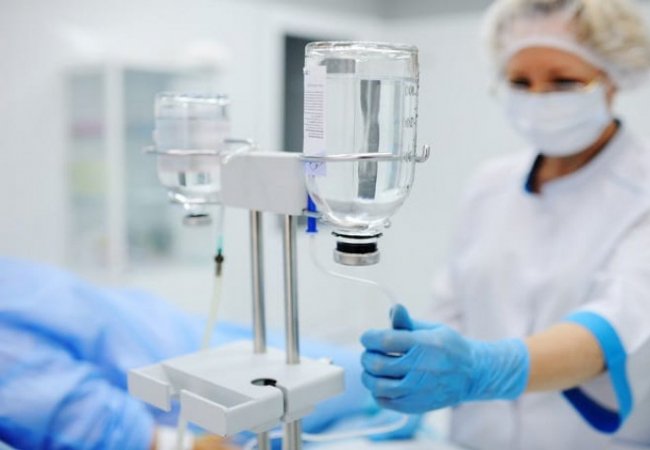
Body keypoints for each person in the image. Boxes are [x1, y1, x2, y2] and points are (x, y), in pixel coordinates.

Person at [359, 0, 650, 449]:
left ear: (613, 76)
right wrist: (411, 366)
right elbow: (451, 308)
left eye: (563, 81)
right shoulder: (489, 184)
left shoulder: (643, 189)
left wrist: (484, 369)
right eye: (519, 81)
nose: (538, 99)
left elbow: (619, 323)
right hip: (475, 438)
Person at [0, 257, 416, 449]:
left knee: (370, 381)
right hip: (188, 383)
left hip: (179, 337)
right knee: (370, 387)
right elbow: (83, 419)